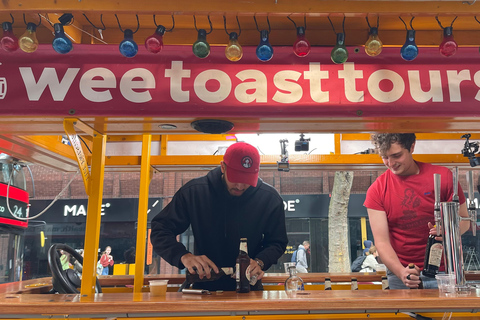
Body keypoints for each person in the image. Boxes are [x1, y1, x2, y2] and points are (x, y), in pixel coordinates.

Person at [150, 142, 288, 291]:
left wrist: (260, 261)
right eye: (235, 178)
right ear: (223, 167)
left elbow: (277, 242)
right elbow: (160, 230)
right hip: (203, 289)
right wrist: (184, 256)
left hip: (250, 289)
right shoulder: (194, 192)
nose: (240, 186)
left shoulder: (269, 198)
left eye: (247, 181)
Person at [364, 133, 470, 289]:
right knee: (405, 314)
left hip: (444, 273)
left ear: (412, 147)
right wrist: (402, 273)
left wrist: (447, 232)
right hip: (401, 273)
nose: (391, 163)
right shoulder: (377, 190)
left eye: (396, 155)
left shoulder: (444, 177)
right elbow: (382, 242)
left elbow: (465, 221)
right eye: (385, 157)